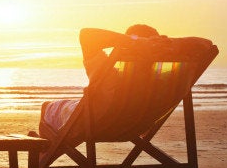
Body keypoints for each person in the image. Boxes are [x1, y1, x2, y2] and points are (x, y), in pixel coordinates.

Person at [30, 24, 165, 138]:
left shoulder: (109, 77)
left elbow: (86, 35)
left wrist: (134, 41)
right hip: (136, 126)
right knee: (70, 110)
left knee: (47, 107)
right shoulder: (160, 81)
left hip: (96, 122)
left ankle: (42, 155)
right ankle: (46, 150)